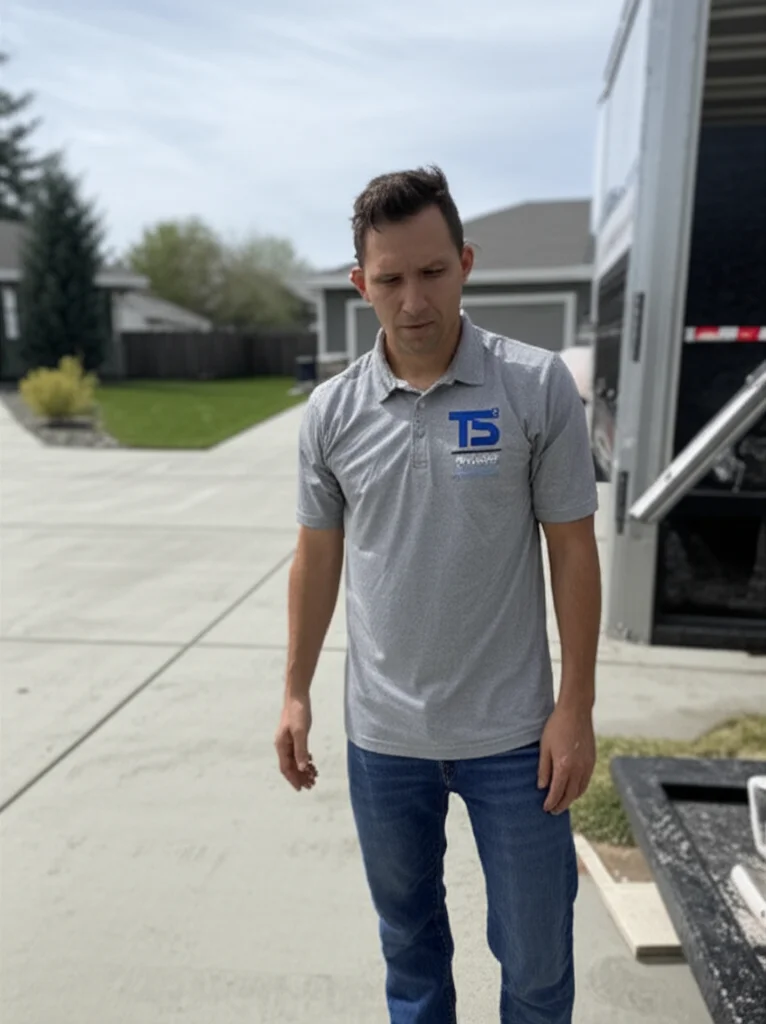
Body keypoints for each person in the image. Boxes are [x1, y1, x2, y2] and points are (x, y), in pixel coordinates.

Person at [275, 165, 601, 1024]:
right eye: (390, 280)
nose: (413, 299)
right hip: (386, 740)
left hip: (515, 739)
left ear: (464, 262)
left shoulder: (533, 388)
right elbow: (316, 559)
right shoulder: (331, 414)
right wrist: (296, 691)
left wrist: (576, 706)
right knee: (411, 953)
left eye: (431, 272)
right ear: (361, 285)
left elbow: (572, 551)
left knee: (537, 960)